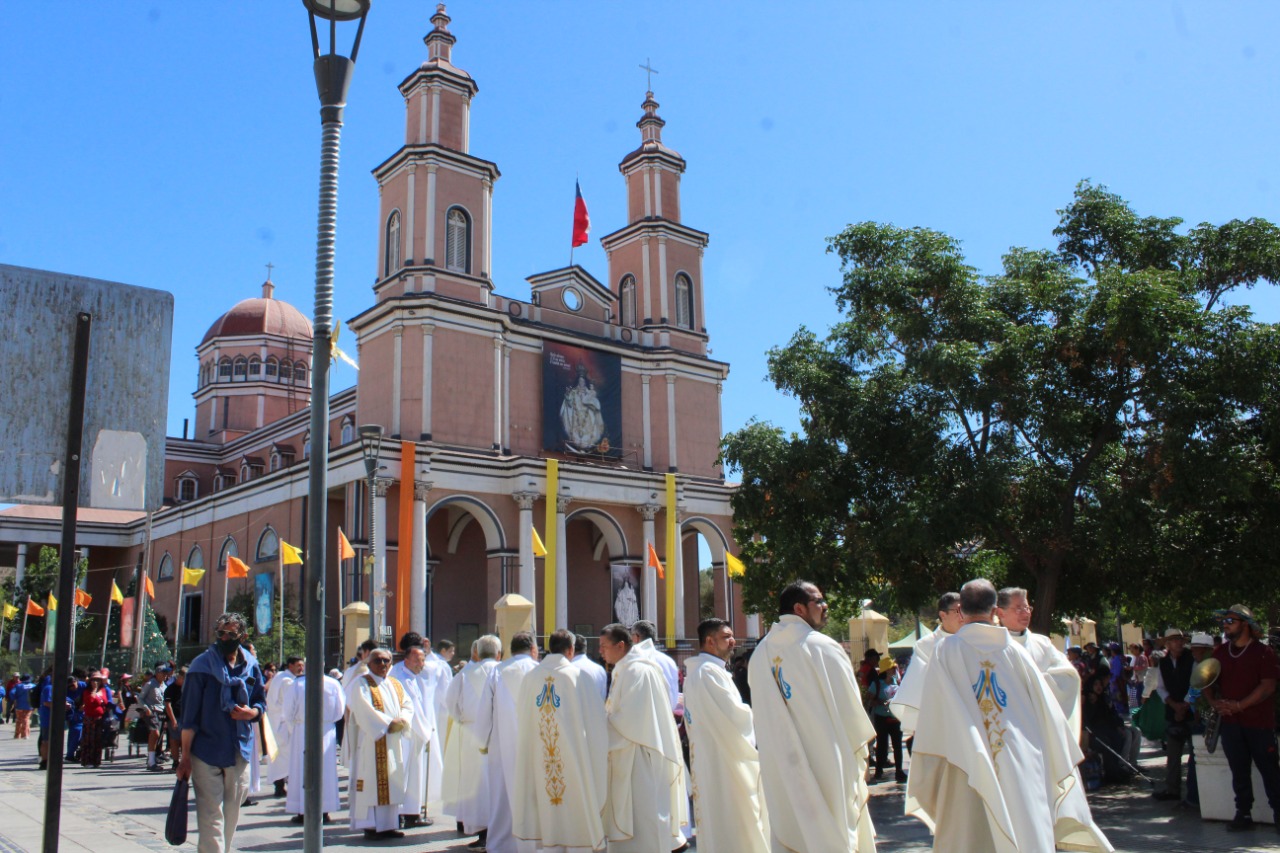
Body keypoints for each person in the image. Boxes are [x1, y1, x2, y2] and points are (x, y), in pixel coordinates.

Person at [907, 579, 1111, 852]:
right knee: (1025, 828)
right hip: (1021, 761)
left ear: (960, 612)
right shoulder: (1017, 653)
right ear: (994, 612)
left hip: (964, 762)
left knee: (971, 834)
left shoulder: (945, 651)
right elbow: (1048, 714)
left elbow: (933, 715)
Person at [748, 581, 875, 852]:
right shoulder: (823, 647)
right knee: (833, 828)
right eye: (819, 601)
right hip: (826, 760)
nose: (825, 606)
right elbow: (851, 711)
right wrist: (860, 752)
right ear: (799, 608)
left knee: (794, 829)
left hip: (781, 764)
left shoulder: (760, 654)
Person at [176, 612, 268, 853]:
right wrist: (185, 757)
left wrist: (252, 713)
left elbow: (260, 701)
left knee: (231, 814)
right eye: (221, 633)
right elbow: (189, 719)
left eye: (231, 633)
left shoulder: (251, 665)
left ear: (243, 636)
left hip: (239, 750)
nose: (225, 637)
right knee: (210, 815)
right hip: (206, 751)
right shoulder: (201, 667)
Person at [512, 629, 608, 853]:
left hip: (540, 757)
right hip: (573, 758)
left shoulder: (531, 677)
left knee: (547, 808)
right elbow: (595, 723)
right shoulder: (578, 677)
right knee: (576, 802)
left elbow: (522, 716)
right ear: (571, 650)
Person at [599, 622, 688, 852]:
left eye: (603, 646)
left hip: (640, 754)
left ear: (621, 645)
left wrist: (598, 727)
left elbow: (631, 718)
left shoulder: (637, 670)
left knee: (643, 817)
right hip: (629, 751)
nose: (600, 651)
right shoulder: (625, 667)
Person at [683, 618, 769, 853]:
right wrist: (763, 713)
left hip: (712, 757)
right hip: (724, 761)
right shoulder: (709, 673)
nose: (733, 641)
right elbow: (735, 717)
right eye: (726, 637)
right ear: (709, 641)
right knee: (735, 821)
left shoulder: (701, 671)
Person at [1205, 603, 1280, 832]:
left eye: (1231, 621)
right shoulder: (1219, 653)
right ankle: (1243, 813)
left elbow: (1267, 687)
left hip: (1259, 723)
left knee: (1269, 770)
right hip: (1231, 724)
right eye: (1224, 621)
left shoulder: (1263, 652)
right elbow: (1205, 680)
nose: (1225, 625)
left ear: (1245, 624)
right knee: (1238, 770)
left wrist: (1239, 705)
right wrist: (1215, 703)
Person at [478, 630, 539, 853]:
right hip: (535, 745)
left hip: (502, 745)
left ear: (510, 651)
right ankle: (533, 843)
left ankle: (501, 844)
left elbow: (485, 710)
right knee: (533, 795)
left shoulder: (498, 672)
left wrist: (482, 741)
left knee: (502, 797)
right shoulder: (540, 671)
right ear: (533, 649)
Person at [347, 647, 414, 840]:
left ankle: (388, 825)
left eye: (386, 661)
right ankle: (371, 826)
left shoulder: (395, 684)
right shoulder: (362, 683)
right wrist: (387, 723)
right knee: (371, 781)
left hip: (392, 740)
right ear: (369, 663)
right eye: (378, 661)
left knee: (392, 781)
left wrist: (402, 720)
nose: (383, 664)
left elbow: (408, 705)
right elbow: (363, 709)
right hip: (372, 740)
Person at [443, 635, 502, 848]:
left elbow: (450, 702)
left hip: (471, 733)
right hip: (499, 732)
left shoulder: (465, 674)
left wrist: (463, 720)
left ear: (476, 652)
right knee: (497, 782)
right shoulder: (503, 671)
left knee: (476, 785)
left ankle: (482, 832)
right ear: (499, 653)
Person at [891, 592, 963, 734]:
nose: (963, 616)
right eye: (958, 611)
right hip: (939, 718)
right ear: (943, 615)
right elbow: (917, 686)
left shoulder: (972, 641)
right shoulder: (926, 645)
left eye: (965, 610)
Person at [282, 666, 345, 824]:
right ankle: (323, 810)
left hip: (303, 729)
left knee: (304, 768)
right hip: (325, 729)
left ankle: (305, 810)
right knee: (323, 769)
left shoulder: (297, 684)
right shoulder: (333, 683)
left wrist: (295, 727)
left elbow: (288, 711)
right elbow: (339, 711)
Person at [390, 643, 437, 829]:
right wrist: (426, 730)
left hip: (414, 733)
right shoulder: (400, 678)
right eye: (417, 660)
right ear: (407, 659)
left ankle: (411, 812)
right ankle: (402, 813)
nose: (421, 664)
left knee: (414, 775)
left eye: (423, 660)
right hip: (407, 733)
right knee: (405, 774)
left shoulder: (412, 677)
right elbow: (413, 710)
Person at [1153, 628, 1194, 802]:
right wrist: (1173, 705)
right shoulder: (1163, 663)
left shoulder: (1191, 659)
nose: (1178, 643)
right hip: (1172, 710)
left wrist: (1184, 705)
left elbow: (1195, 683)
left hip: (1191, 711)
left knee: (1196, 752)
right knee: (1173, 753)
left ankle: (1195, 791)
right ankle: (1173, 789)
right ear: (1168, 644)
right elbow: (1161, 688)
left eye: (1179, 640)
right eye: (1174, 640)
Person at [266, 656, 302, 797]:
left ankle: (280, 785)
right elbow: (290, 705)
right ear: (290, 665)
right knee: (287, 757)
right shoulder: (288, 681)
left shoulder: (280, 676)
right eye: (298, 665)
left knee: (278, 757)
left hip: (275, 723)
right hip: (283, 724)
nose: (301, 668)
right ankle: (283, 787)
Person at [869, 656, 906, 783]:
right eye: (892, 668)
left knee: (897, 746)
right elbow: (870, 700)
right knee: (882, 745)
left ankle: (899, 771)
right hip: (882, 718)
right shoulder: (877, 684)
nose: (894, 669)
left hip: (895, 718)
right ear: (887, 670)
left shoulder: (897, 682)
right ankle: (879, 770)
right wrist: (880, 702)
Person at [629, 620, 680, 711]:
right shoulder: (669, 661)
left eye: (631, 636)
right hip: (669, 715)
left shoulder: (635, 659)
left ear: (636, 637)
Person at [138, 667, 168, 771]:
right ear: (158, 673)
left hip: (161, 713)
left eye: (166, 673)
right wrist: (146, 708)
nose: (165, 675)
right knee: (155, 733)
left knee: (158, 737)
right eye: (163, 672)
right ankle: (151, 762)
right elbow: (140, 698)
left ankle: (152, 759)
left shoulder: (164, 686)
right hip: (151, 711)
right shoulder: (150, 684)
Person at [571, 633, 607, 701]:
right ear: (585, 648)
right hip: (597, 710)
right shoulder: (600, 669)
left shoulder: (568, 669)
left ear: (570, 649)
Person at [164, 667, 187, 769]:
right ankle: (175, 762)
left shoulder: (187, 688)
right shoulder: (170, 689)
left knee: (184, 741)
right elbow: (168, 705)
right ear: (179, 677)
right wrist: (173, 720)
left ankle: (184, 761)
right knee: (174, 740)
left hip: (185, 717)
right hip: (175, 717)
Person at [10, 674, 34, 739]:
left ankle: (17, 735)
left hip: (19, 706)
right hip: (29, 706)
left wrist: (15, 699)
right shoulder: (33, 686)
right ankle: (25, 734)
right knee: (26, 719)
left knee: (19, 720)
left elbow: (12, 693)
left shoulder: (18, 686)